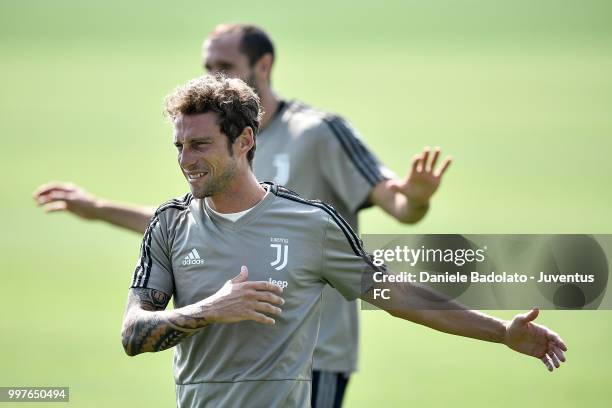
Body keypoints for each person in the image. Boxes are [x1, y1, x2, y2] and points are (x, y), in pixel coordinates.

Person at [34, 24, 452, 407]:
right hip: (230, 358)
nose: (215, 76)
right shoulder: (207, 144)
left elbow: (399, 211)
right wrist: (99, 209)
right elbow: (196, 230)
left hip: (315, 351)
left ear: (263, 65)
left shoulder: (317, 132)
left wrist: (416, 200)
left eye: (225, 66)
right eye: (208, 67)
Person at [121, 74, 567, 408]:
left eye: (200, 145)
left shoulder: (309, 223)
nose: (185, 160)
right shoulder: (170, 225)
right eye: (179, 146)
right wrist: (211, 310)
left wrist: (501, 333)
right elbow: (133, 334)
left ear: (244, 141)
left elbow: (395, 293)